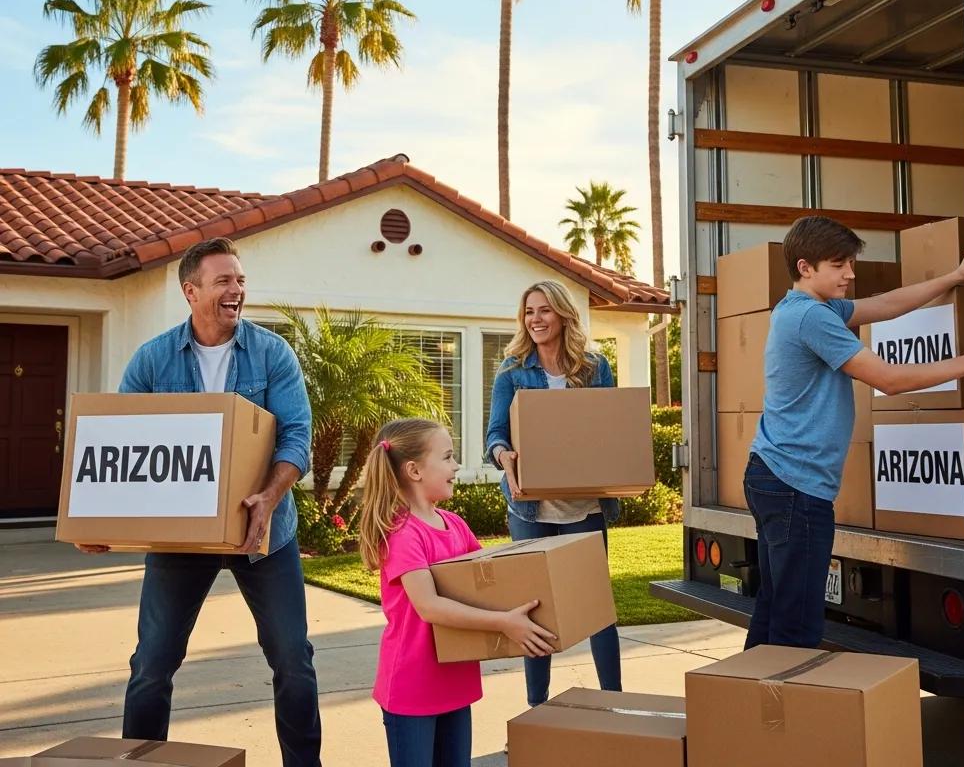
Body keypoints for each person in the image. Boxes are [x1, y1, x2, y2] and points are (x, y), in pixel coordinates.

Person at [76, 237, 321, 767]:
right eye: (223, 281)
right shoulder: (153, 359)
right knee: (152, 663)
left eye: (240, 280)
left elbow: (297, 436)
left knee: (293, 659)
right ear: (191, 291)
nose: (237, 290)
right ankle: (142, 761)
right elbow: (123, 442)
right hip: (181, 537)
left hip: (263, 531)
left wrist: (269, 497)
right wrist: (98, 522)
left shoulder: (272, 353)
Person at [744, 215, 964, 650]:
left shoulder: (802, 308)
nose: (850, 274)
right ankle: (781, 696)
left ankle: (749, 692)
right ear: (805, 267)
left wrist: (954, 276)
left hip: (773, 476)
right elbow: (888, 380)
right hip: (795, 486)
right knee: (797, 625)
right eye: (839, 265)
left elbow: (887, 304)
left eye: (850, 263)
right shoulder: (812, 318)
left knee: (776, 606)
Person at [361, 417, 554, 767]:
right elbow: (429, 607)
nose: (457, 466)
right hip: (413, 686)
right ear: (414, 470)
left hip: (454, 682)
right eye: (448, 457)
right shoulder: (403, 534)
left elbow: (493, 580)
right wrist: (504, 623)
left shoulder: (455, 525)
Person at [484, 279, 622, 708]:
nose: (536, 319)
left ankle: (615, 703)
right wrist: (504, 456)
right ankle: (536, 707)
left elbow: (612, 427)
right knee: (534, 608)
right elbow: (495, 435)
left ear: (562, 315)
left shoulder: (595, 367)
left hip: (584, 504)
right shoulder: (512, 371)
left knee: (596, 606)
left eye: (544, 310)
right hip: (530, 506)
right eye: (529, 312)